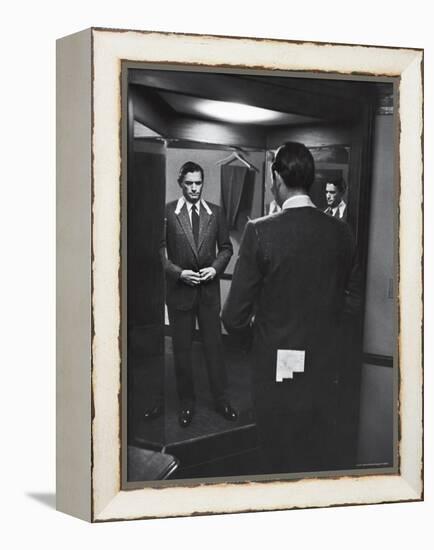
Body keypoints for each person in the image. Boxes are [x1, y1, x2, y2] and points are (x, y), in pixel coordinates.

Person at [222, 142, 359, 472]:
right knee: (315, 458)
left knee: (275, 459)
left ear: (277, 177)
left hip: (275, 371)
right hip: (324, 371)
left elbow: (232, 316)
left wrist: (262, 340)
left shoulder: (260, 231)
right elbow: (351, 303)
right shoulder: (341, 233)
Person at [161, 161, 238, 427]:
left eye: (198, 183)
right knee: (181, 351)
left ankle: (222, 400)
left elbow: (226, 248)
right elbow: (159, 252)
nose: (194, 188)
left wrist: (215, 270)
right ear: (180, 183)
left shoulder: (215, 213)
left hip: (208, 293)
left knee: (214, 349)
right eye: (189, 183)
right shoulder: (168, 212)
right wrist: (177, 273)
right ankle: (186, 404)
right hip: (180, 293)